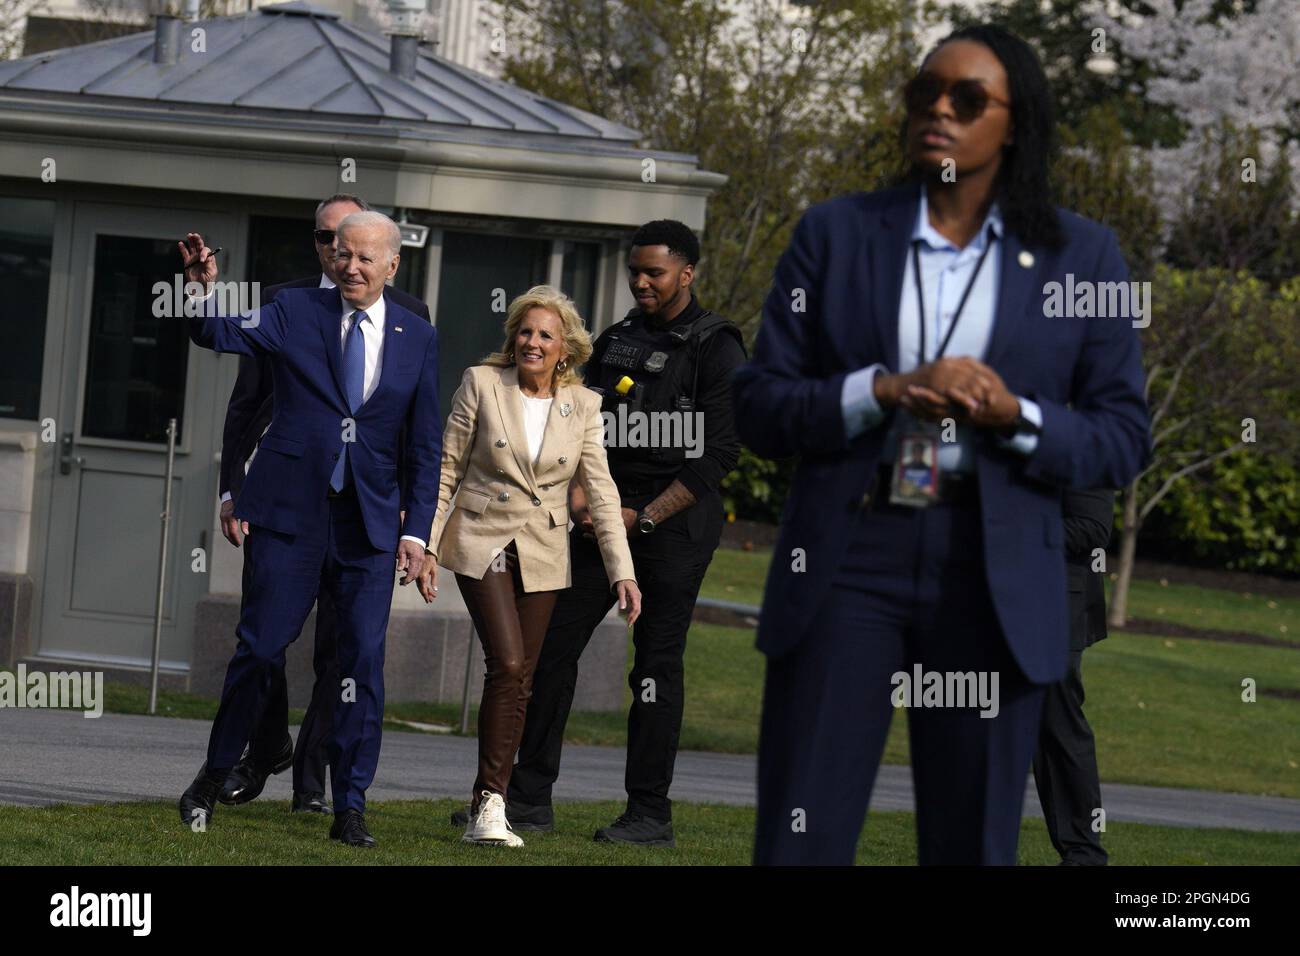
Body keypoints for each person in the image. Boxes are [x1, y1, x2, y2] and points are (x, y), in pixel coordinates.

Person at [732, 24, 1150, 865]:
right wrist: (878, 390)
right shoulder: (836, 235)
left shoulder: (1083, 255)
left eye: (968, 100)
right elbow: (761, 408)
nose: (940, 111)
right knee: (797, 840)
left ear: (1015, 121)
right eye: (926, 92)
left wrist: (1015, 414)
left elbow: (1120, 437)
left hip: (991, 570)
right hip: (850, 558)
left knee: (970, 845)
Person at [177, 211, 441, 849]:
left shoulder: (417, 334)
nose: (350, 266)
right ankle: (211, 778)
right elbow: (215, 333)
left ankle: (349, 806)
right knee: (261, 648)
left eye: (365, 258)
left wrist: (418, 532)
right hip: (291, 517)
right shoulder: (295, 311)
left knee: (361, 665)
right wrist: (199, 289)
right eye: (342, 253)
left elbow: (425, 445)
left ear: (392, 265)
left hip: (370, 530)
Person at [496, 219, 746, 848]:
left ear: (686, 273)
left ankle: (648, 814)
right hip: (603, 518)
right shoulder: (616, 339)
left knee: (655, 667)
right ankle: (526, 802)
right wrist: (583, 495)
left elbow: (718, 456)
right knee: (548, 648)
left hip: (675, 527)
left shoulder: (718, 347)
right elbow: (580, 421)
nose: (640, 282)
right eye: (634, 271)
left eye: (654, 272)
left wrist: (648, 517)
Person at [417, 286, 639, 847]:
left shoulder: (584, 405)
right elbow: (447, 468)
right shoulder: (482, 383)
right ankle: (491, 802)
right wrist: (424, 545)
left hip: (545, 550)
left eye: (544, 335)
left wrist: (623, 572)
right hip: (481, 536)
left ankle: (487, 805)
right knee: (509, 661)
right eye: (524, 331)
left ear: (564, 347)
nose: (531, 342)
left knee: (523, 677)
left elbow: (603, 493)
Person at [1034, 488, 1114, 865]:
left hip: (1055, 604)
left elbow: (1092, 528)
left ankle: (1084, 853)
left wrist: (1011, 534)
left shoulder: (1082, 433)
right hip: (983, 596)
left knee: (1057, 727)